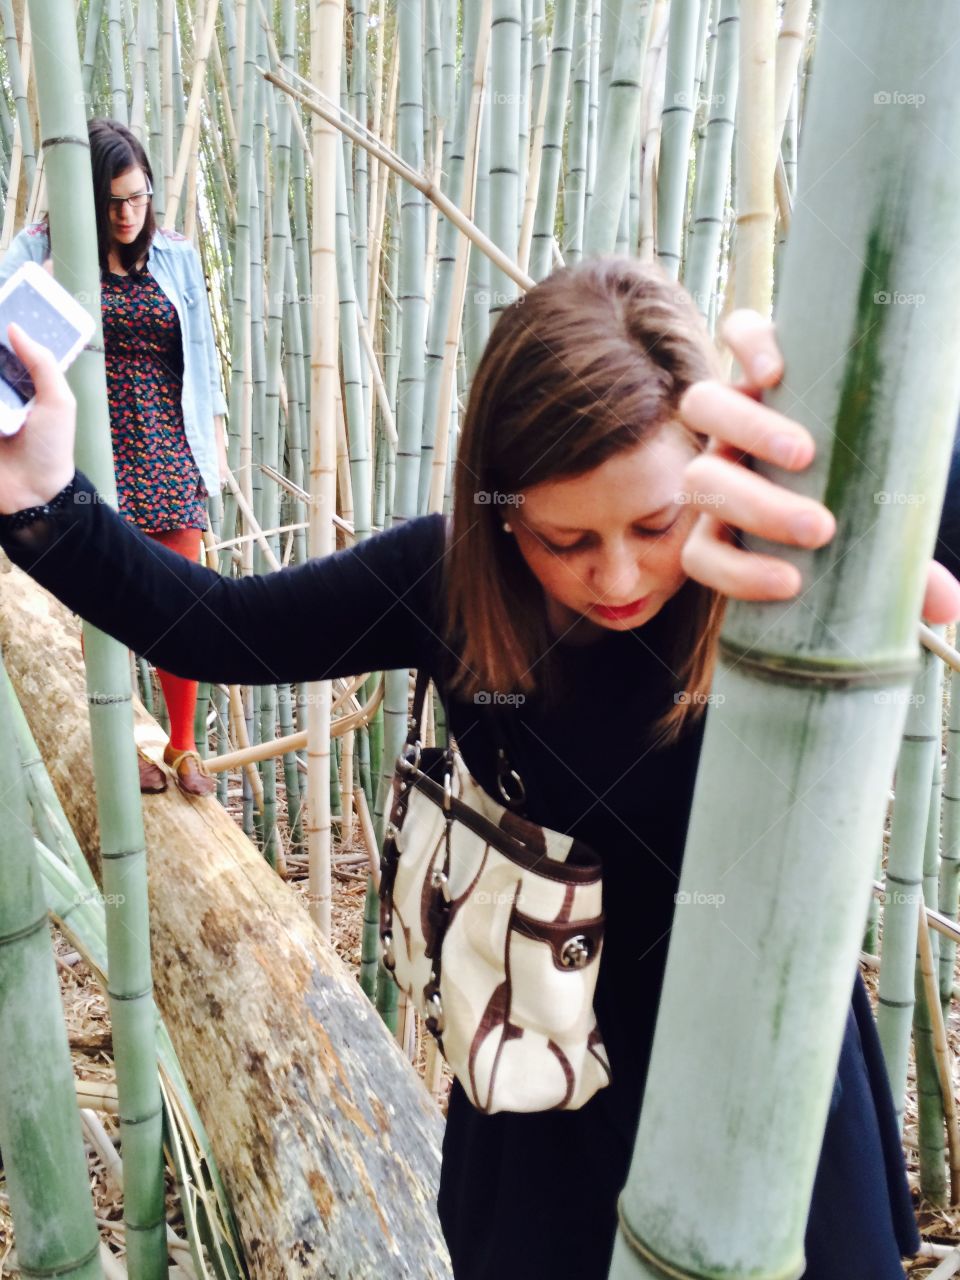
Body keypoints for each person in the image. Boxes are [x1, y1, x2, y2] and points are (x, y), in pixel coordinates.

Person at [2, 259, 959, 1278]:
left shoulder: (776, 564)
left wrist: (861, 431)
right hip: (547, 1060)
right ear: (503, 508)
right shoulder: (449, 577)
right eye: (566, 538)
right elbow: (219, 629)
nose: (620, 574)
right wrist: (45, 501)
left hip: (772, 1063)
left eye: (653, 524)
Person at [0, 118, 228, 796]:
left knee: (180, 598)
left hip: (164, 434)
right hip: (88, 439)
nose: (129, 214)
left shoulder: (177, 254)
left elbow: (203, 355)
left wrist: (210, 443)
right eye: (113, 202)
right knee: (101, 600)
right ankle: (122, 744)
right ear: (85, 198)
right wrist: (41, 281)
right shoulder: (40, 245)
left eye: (139, 197)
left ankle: (184, 745)